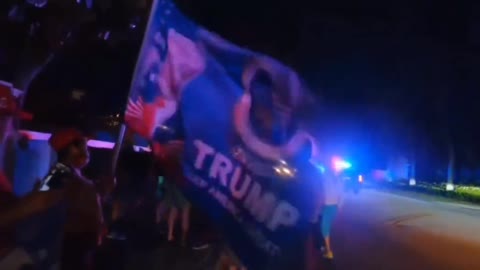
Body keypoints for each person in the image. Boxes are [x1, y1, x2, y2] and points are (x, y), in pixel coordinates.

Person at [33, 128, 105, 270]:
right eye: (85, 145)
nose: (88, 150)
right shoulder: (62, 174)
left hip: (69, 251)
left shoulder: (62, 173)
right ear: (73, 149)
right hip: (63, 251)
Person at [319, 165, 344, 259]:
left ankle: (329, 252)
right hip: (327, 206)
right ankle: (325, 246)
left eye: (339, 170)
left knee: (324, 228)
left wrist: (339, 207)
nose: (338, 171)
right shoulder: (328, 176)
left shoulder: (338, 180)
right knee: (325, 227)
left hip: (330, 207)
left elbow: (342, 195)